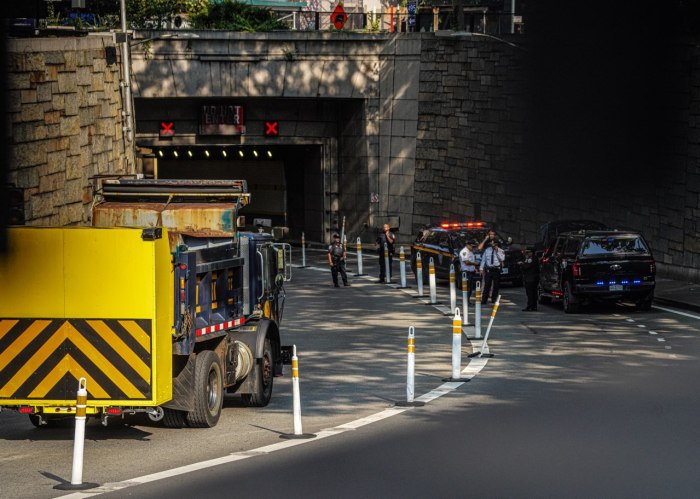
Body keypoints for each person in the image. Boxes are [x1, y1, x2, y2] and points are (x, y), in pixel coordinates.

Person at [480, 239, 504, 304]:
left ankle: (494, 299)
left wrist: (497, 251)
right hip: (489, 269)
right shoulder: (487, 250)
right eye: (492, 244)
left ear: (497, 245)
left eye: (494, 244)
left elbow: (502, 259)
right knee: (487, 285)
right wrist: (481, 269)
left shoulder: (501, 251)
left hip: (496, 269)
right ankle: (484, 300)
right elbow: (483, 260)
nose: (493, 245)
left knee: (496, 285)